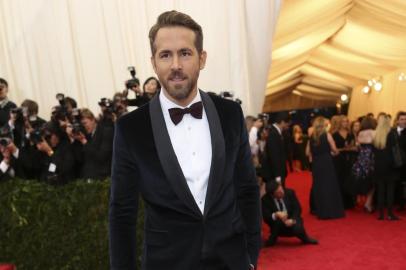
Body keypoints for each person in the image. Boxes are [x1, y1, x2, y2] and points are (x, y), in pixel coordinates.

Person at [109, 11, 261, 270]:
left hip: (231, 259)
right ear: (154, 62)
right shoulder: (130, 128)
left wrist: (251, 255)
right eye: (165, 55)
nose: (176, 64)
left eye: (185, 53)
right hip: (167, 262)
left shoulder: (230, 113)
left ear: (201, 59)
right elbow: (122, 211)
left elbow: (246, 188)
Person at [306, 116, 345, 219]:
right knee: (330, 186)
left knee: (319, 186)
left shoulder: (311, 137)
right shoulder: (327, 135)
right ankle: (332, 211)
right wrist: (333, 152)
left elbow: (307, 152)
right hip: (327, 162)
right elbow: (335, 150)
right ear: (324, 125)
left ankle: (321, 211)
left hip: (316, 163)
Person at [262, 181, 318, 246]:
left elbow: (297, 209)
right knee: (277, 222)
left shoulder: (290, 193)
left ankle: (305, 239)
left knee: (298, 227)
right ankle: (271, 241)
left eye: (281, 189)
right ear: (272, 195)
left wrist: (292, 219)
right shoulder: (265, 200)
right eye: (278, 193)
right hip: (277, 224)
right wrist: (276, 215)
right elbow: (266, 217)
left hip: (292, 219)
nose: (282, 192)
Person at [373, 114, 400, 220]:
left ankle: (381, 214)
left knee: (380, 190)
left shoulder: (376, 135)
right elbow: (395, 150)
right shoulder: (392, 133)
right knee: (390, 190)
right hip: (390, 165)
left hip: (379, 165)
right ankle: (390, 213)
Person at [353, 117, 376, 212]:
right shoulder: (374, 132)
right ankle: (368, 203)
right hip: (371, 158)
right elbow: (377, 144)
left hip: (361, 158)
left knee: (362, 179)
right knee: (372, 182)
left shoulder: (360, 133)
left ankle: (361, 200)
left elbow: (357, 146)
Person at [332, 115, 355, 209]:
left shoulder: (350, 134)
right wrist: (343, 149)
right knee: (339, 180)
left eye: (346, 121)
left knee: (348, 180)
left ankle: (349, 202)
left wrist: (351, 148)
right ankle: (339, 202)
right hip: (338, 159)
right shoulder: (334, 134)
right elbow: (333, 149)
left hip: (349, 159)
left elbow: (354, 146)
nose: (345, 123)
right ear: (339, 123)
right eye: (343, 121)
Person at [263, 112, 290, 186]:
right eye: (287, 123)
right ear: (282, 122)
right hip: (275, 174)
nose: (288, 125)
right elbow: (274, 157)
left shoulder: (276, 132)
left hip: (278, 172)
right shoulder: (273, 134)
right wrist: (278, 177)